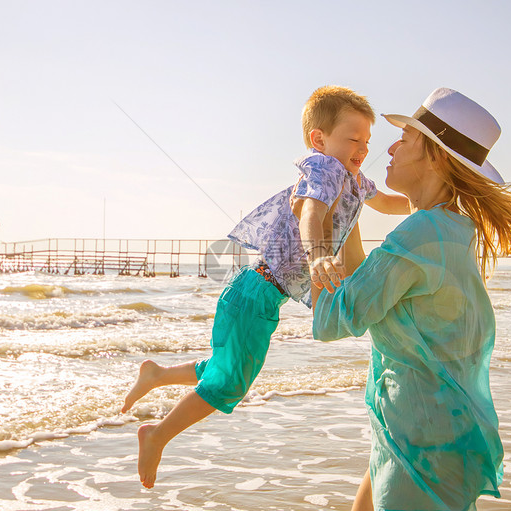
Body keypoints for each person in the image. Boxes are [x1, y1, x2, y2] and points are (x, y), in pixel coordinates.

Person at [120, 86, 410, 489]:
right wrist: (318, 256)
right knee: (231, 383)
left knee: (226, 368)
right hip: (256, 291)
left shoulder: (357, 180)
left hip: (256, 294)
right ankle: (157, 435)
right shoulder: (324, 170)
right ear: (320, 140)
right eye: (353, 138)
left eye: (366, 141)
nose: (362, 148)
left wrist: (427, 200)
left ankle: (158, 375)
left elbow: (389, 204)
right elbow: (311, 213)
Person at [312, 88, 511, 511]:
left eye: (405, 138)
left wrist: (323, 226)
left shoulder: (420, 235)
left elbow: (334, 319)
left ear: (436, 157)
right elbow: (366, 293)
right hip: (419, 434)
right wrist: (350, 208)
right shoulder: (449, 229)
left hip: (423, 448)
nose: (389, 146)